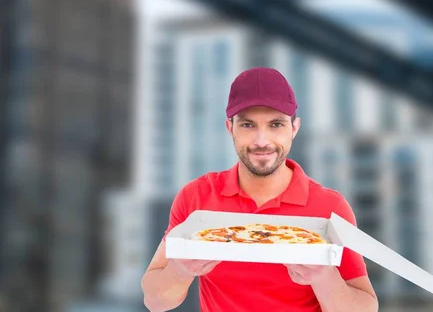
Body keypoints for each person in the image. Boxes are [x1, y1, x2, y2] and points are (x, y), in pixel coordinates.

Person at [141, 67, 378, 312]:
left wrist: (324, 277)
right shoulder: (196, 198)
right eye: (247, 125)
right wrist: (181, 270)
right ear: (230, 128)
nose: (262, 141)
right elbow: (155, 302)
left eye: (276, 124)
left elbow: (366, 307)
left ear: (294, 128)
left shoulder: (330, 207)